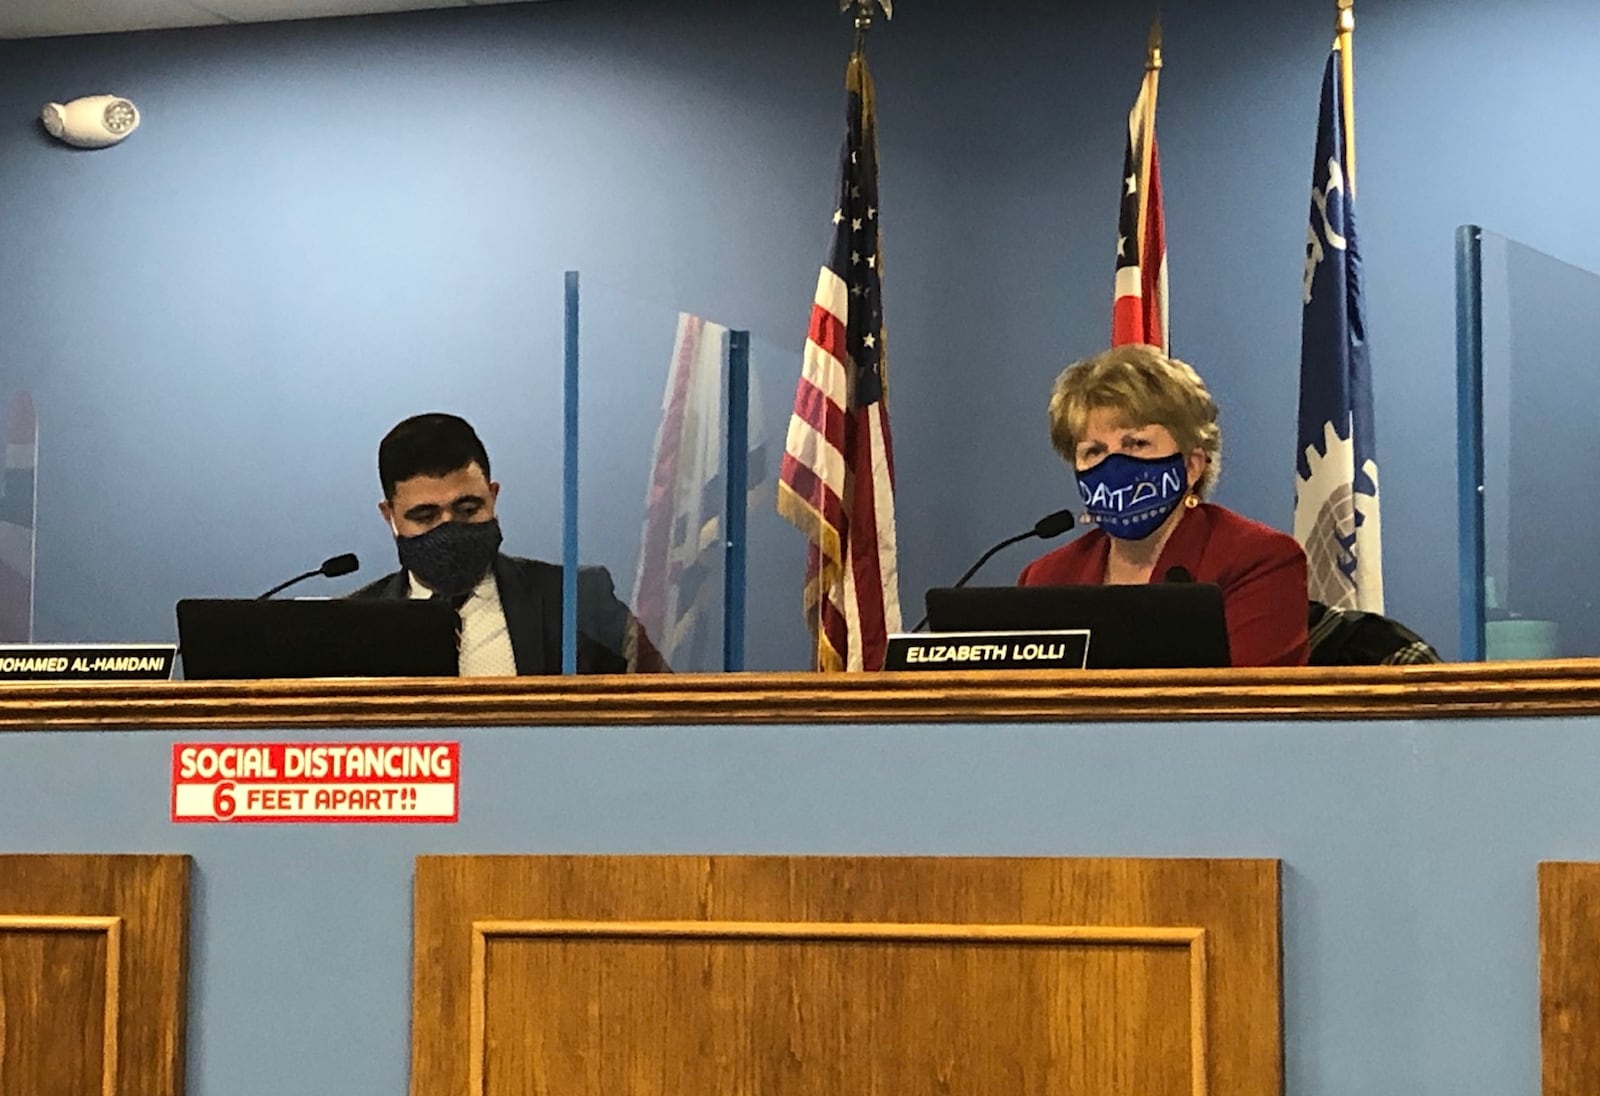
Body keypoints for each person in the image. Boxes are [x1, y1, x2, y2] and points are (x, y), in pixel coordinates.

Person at [1018, 345, 1310, 667]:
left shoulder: (1257, 560)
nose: (1114, 466)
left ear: (1191, 466)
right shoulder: (1047, 578)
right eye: (1094, 451)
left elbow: (1253, 705)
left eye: (1137, 444)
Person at [350, 412, 665, 675]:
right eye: (425, 516)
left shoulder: (576, 600)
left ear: (493, 496)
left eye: (468, 509)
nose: (448, 527)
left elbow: (665, 708)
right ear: (389, 515)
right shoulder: (352, 624)